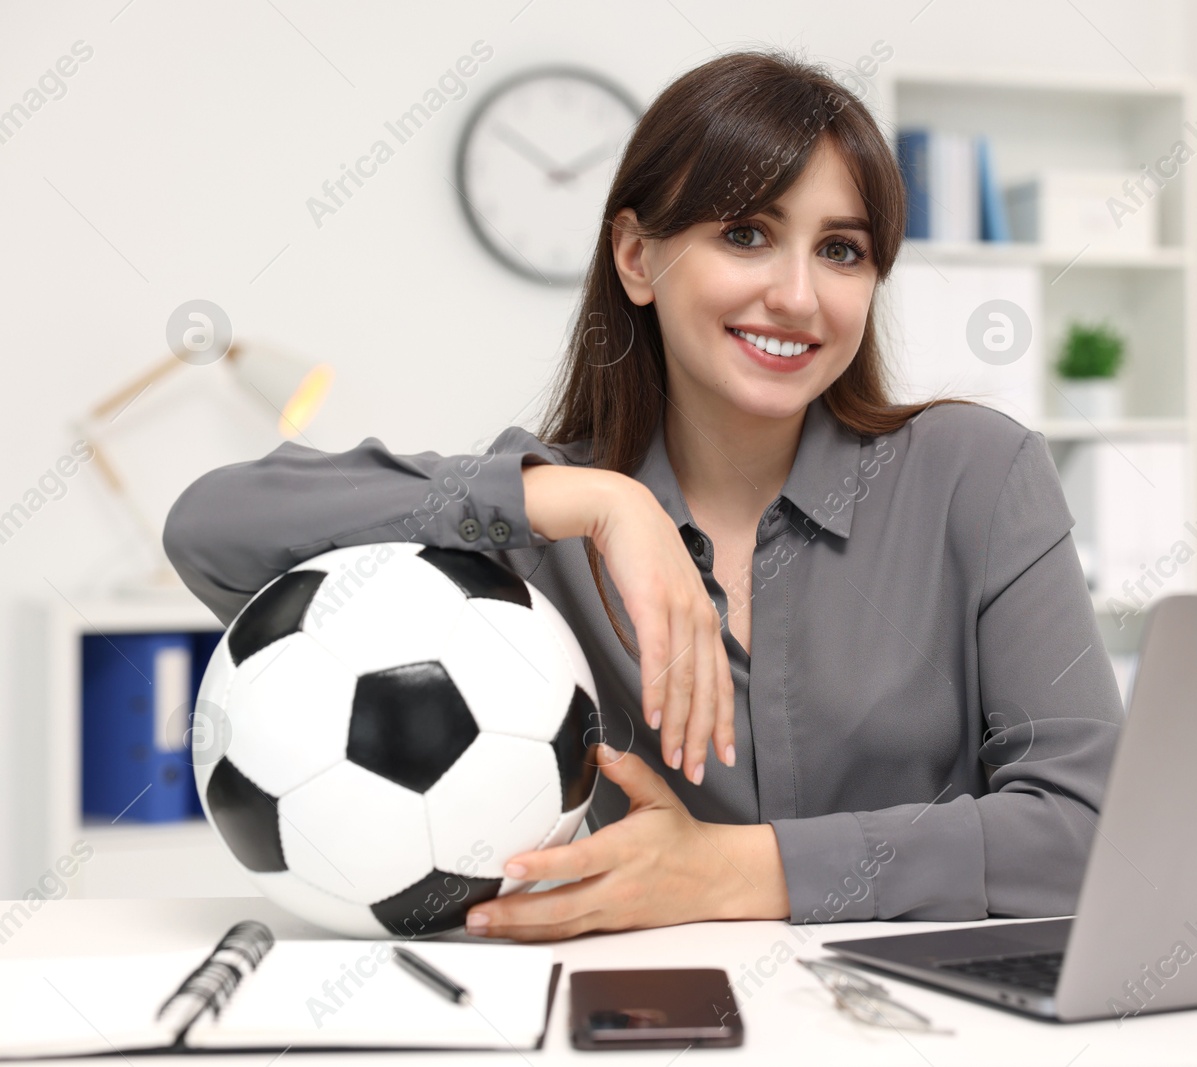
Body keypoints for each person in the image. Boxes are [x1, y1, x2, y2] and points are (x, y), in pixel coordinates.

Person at [163, 49, 1124, 942]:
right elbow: (213, 531)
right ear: (636, 257)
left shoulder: (978, 474)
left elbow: (1091, 831)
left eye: (842, 250)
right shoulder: (526, 539)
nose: (798, 295)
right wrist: (594, 503)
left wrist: (731, 872)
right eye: (746, 234)